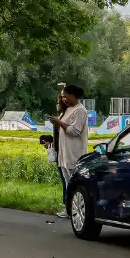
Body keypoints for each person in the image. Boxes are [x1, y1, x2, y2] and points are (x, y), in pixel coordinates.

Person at [48, 85, 88, 219]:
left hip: (74, 154)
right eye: (62, 97)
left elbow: (74, 131)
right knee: (67, 183)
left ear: (73, 95)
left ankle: (76, 210)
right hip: (64, 154)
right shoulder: (69, 109)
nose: (63, 99)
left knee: (75, 184)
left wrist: (59, 123)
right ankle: (69, 208)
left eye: (65, 96)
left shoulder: (80, 111)